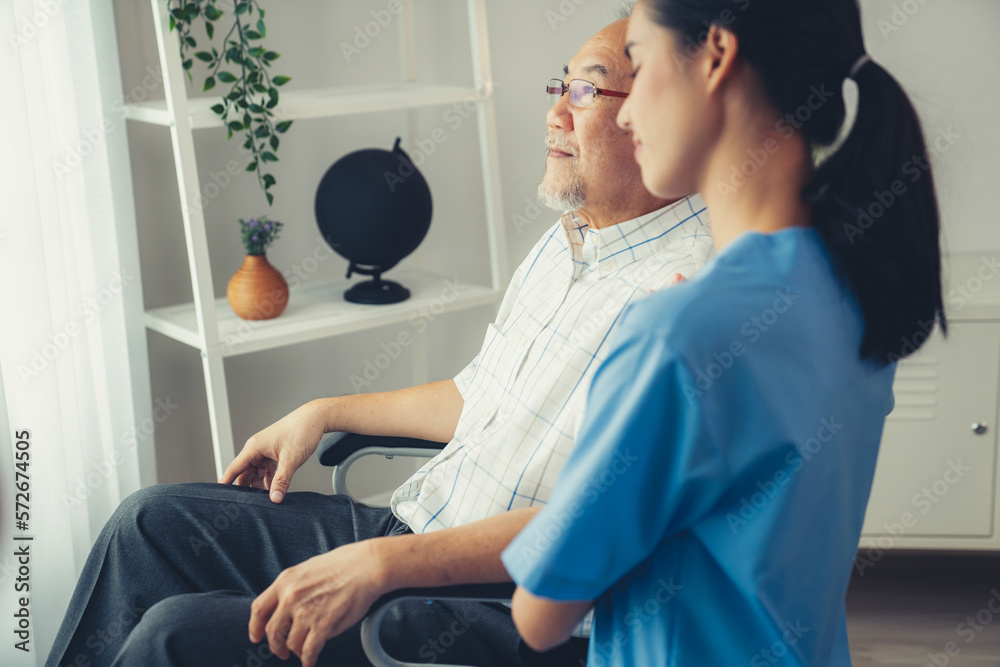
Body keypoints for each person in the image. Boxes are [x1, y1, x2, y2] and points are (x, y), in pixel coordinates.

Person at [45, 16, 714, 667]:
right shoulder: (568, 240)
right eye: (558, 86)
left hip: (498, 607)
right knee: (148, 525)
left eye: (585, 90)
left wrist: (382, 566)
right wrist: (325, 409)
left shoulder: (688, 291)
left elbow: (600, 520)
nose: (554, 114)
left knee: (177, 635)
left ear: (657, 112)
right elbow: (477, 395)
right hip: (412, 530)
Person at [502, 0, 946, 665]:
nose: (624, 112)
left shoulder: (674, 337)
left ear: (716, 54)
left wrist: (634, 390)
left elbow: (540, 615)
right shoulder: (855, 284)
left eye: (641, 62)